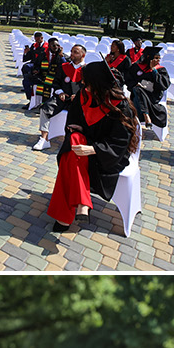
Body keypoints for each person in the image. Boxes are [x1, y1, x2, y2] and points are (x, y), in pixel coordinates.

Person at [47, 56, 137, 233]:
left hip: (108, 155)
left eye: (87, 82)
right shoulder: (83, 96)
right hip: (83, 145)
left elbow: (119, 142)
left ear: (99, 83)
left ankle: (68, 215)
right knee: (73, 145)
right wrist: (77, 129)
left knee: (69, 159)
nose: (83, 85)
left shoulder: (120, 106)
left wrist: (94, 149)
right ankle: (82, 203)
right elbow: (72, 121)